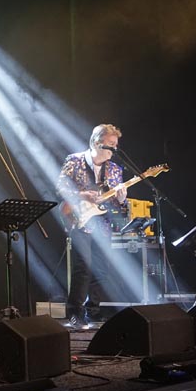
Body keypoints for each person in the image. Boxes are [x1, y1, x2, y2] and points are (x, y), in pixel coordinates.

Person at [56, 124, 127, 329]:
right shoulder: (75, 160)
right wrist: (81, 195)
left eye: (116, 144)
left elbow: (116, 205)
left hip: (101, 223)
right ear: (97, 142)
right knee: (83, 267)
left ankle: (93, 311)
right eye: (111, 144)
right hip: (78, 218)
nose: (114, 148)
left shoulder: (114, 169)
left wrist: (121, 199)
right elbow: (60, 188)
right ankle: (75, 314)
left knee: (101, 269)